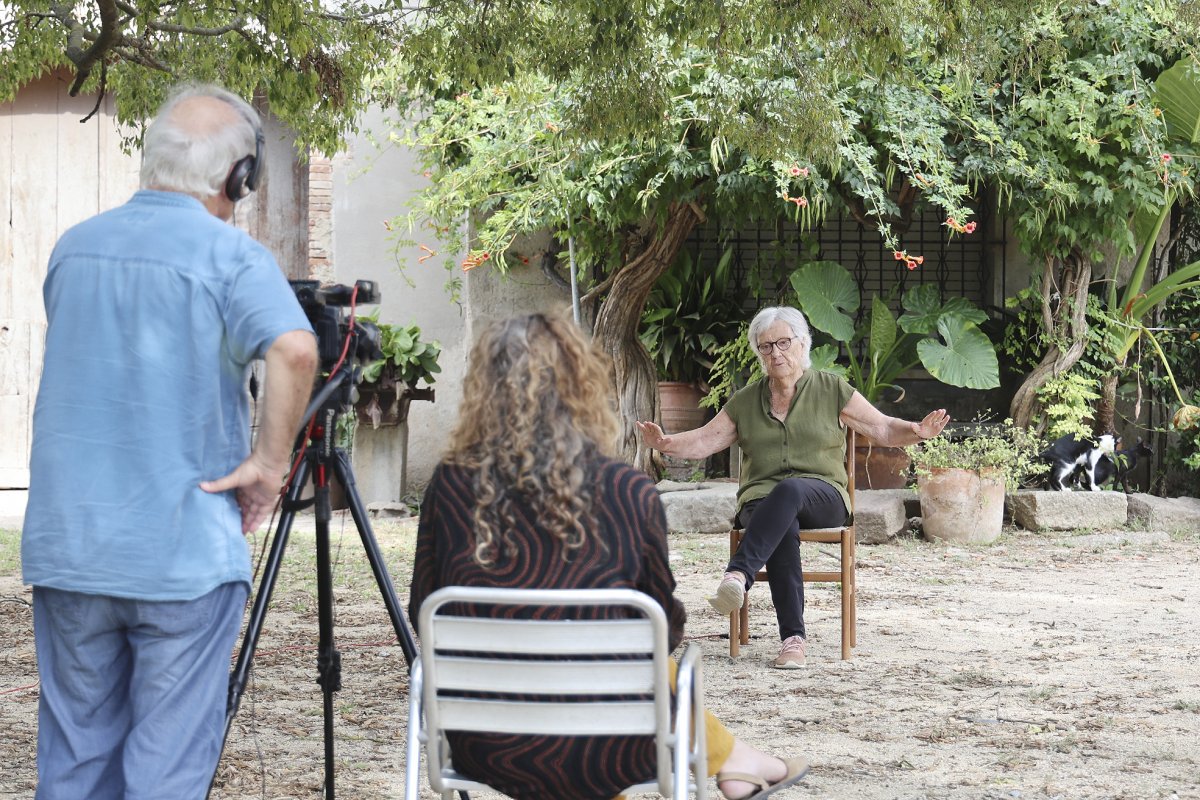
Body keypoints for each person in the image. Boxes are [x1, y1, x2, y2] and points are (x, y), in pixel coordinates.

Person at [21, 83, 318, 799]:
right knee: (165, 773)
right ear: (238, 177)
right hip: (183, 554)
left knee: (74, 760)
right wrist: (268, 465)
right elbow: (296, 349)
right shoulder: (233, 257)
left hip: (72, 550)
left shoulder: (73, 248)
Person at [409, 313, 808, 800]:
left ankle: (736, 761)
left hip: (487, 743)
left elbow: (423, 609)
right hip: (612, 741)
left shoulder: (449, 488)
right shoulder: (628, 492)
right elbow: (664, 629)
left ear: (483, 392)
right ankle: (734, 760)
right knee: (636, 654)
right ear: (583, 386)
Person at [637, 305, 949, 669]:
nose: (776, 353)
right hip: (760, 501)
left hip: (823, 496)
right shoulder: (745, 401)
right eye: (766, 346)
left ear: (803, 344)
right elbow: (705, 440)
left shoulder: (832, 389)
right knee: (780, 521)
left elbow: (880, 427)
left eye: (783, 343)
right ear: (759, 353)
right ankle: (793, 641)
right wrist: (665, 443)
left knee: (788, 492)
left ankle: (738, 574)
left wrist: (916, 431)